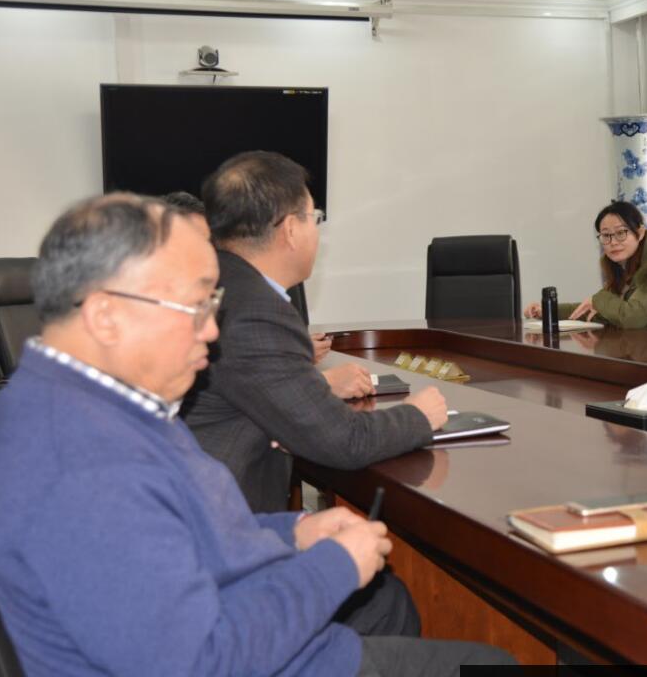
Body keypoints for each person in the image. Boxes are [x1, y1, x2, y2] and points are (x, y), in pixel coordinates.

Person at [0, 193, 513, 676]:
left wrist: (292, 533)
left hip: (236, 614)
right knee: (489, 665)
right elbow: (200, 662)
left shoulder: (82, 398)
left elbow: (183, 531)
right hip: (249, 654)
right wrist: (334, 567)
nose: (212, 331)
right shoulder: (85, 466)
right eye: (196, 306)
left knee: (390, 604)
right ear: (107, 317)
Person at [182, 152, 448, 512]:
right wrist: (418, 415)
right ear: (291, 229)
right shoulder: (256, 312)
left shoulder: (218, 283)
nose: (317, 232)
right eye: (315, 218)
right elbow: (344, 441)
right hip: (222, 521)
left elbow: (252, 391)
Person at [161, 189, 336, 363]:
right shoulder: (160, 313)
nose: (208, 256)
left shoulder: (221, 296)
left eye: (208, 245)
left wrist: (292, 353)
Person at [524, 200, 647, 332]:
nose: (613, 242)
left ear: (640, 232)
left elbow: (632, 316)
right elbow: (603, 311)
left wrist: (598, 300)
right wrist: (547, 311)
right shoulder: (622, 266)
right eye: (606, 235)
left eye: (621, 233)